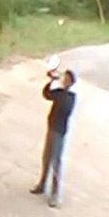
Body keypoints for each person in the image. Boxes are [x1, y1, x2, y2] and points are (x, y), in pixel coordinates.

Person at [30, 67, 77, 207]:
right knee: (46, 158)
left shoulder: (70, 97)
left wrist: (58, 86)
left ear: (71, 82)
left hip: (59, 132)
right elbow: (46, 94)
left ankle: (55, 194)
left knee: (56, 162)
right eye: (64, 78)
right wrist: (51, 82)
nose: (64, 81)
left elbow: (64, 108)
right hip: (51, 129)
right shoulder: (60, 93)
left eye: (67, 79)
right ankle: (42, 184)